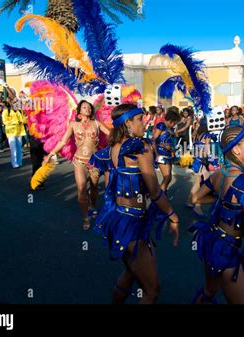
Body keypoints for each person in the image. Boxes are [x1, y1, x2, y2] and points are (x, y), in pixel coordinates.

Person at [92, 103, 179, 304]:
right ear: (128, 123)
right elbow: (154, 190)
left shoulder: (111, 149)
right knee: (152, 290)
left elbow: (110, 191)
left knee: (131, 272)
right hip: (131, 223)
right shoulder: (141, 147)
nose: (146, 121)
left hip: (119, 219)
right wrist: (173, 217)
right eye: (140, 118)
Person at [189, 125, 244, 304]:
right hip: (226, 250)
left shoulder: (220, 174)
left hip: (210, 239)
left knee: (209, 291)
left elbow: (195, 198)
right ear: (236, 149)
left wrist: (223, 198)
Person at [43, 100, 111, 230]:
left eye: (89, 107)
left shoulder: (97, 123)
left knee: (94, 188)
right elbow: (63, 141)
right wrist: (51, 154)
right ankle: (86, 217)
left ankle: (92, 206)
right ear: (79, 111)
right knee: (81, 189)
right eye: (84, 107)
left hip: (95, 161)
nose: (87, 109)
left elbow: (111, 134)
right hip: (79, 161)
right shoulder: (73, 125)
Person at [152, 106, 181, 192]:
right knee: (167, 176)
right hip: (161, 154)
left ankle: (161, 193)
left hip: (168, 154)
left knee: (169, 177)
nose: (175, 125)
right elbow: (153, 139)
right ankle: (161, 196)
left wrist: (171, 148)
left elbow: (171, 142)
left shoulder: (171, 128)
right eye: (174, 122)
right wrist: (156, 154)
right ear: (171, 120)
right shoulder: (161, 126)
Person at [186, 123, 212, 216]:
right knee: (198, 183)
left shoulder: (198, 135)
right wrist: (212, 158)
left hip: (197, 160)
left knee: (205, 179)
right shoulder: (207, 135)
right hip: (200, 161)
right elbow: (208, 148)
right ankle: (194, 203)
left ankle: (196, 201)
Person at [2, 103, 27, 168]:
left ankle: (19, 162)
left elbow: (24, 120)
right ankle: (14, 163)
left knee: (19, 147)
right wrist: (16, 122)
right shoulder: (6, 111)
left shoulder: (20, 111)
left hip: (19, 131)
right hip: (11, 131)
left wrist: (24, 119)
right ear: (11, 105)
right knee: (13, 148)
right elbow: (5, 121)